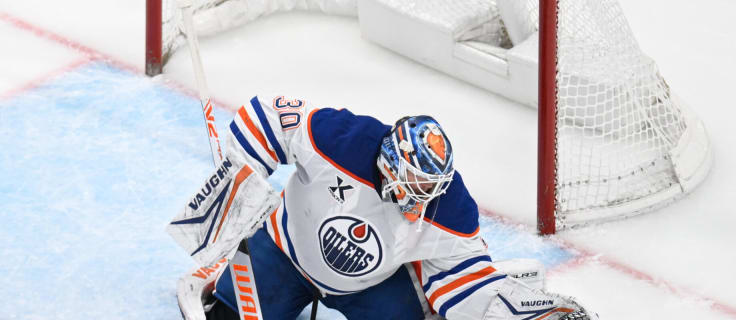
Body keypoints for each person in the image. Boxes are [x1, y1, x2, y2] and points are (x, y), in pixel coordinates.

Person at [176, 95, 596, 320]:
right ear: (392, 161)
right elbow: (265, 118)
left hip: (372, 286)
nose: (423, 195)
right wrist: (245, 176)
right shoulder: (340, 139)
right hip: (285, 253)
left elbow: (464, 282)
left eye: (431, 185)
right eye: (416, 182)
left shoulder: (449, 208)